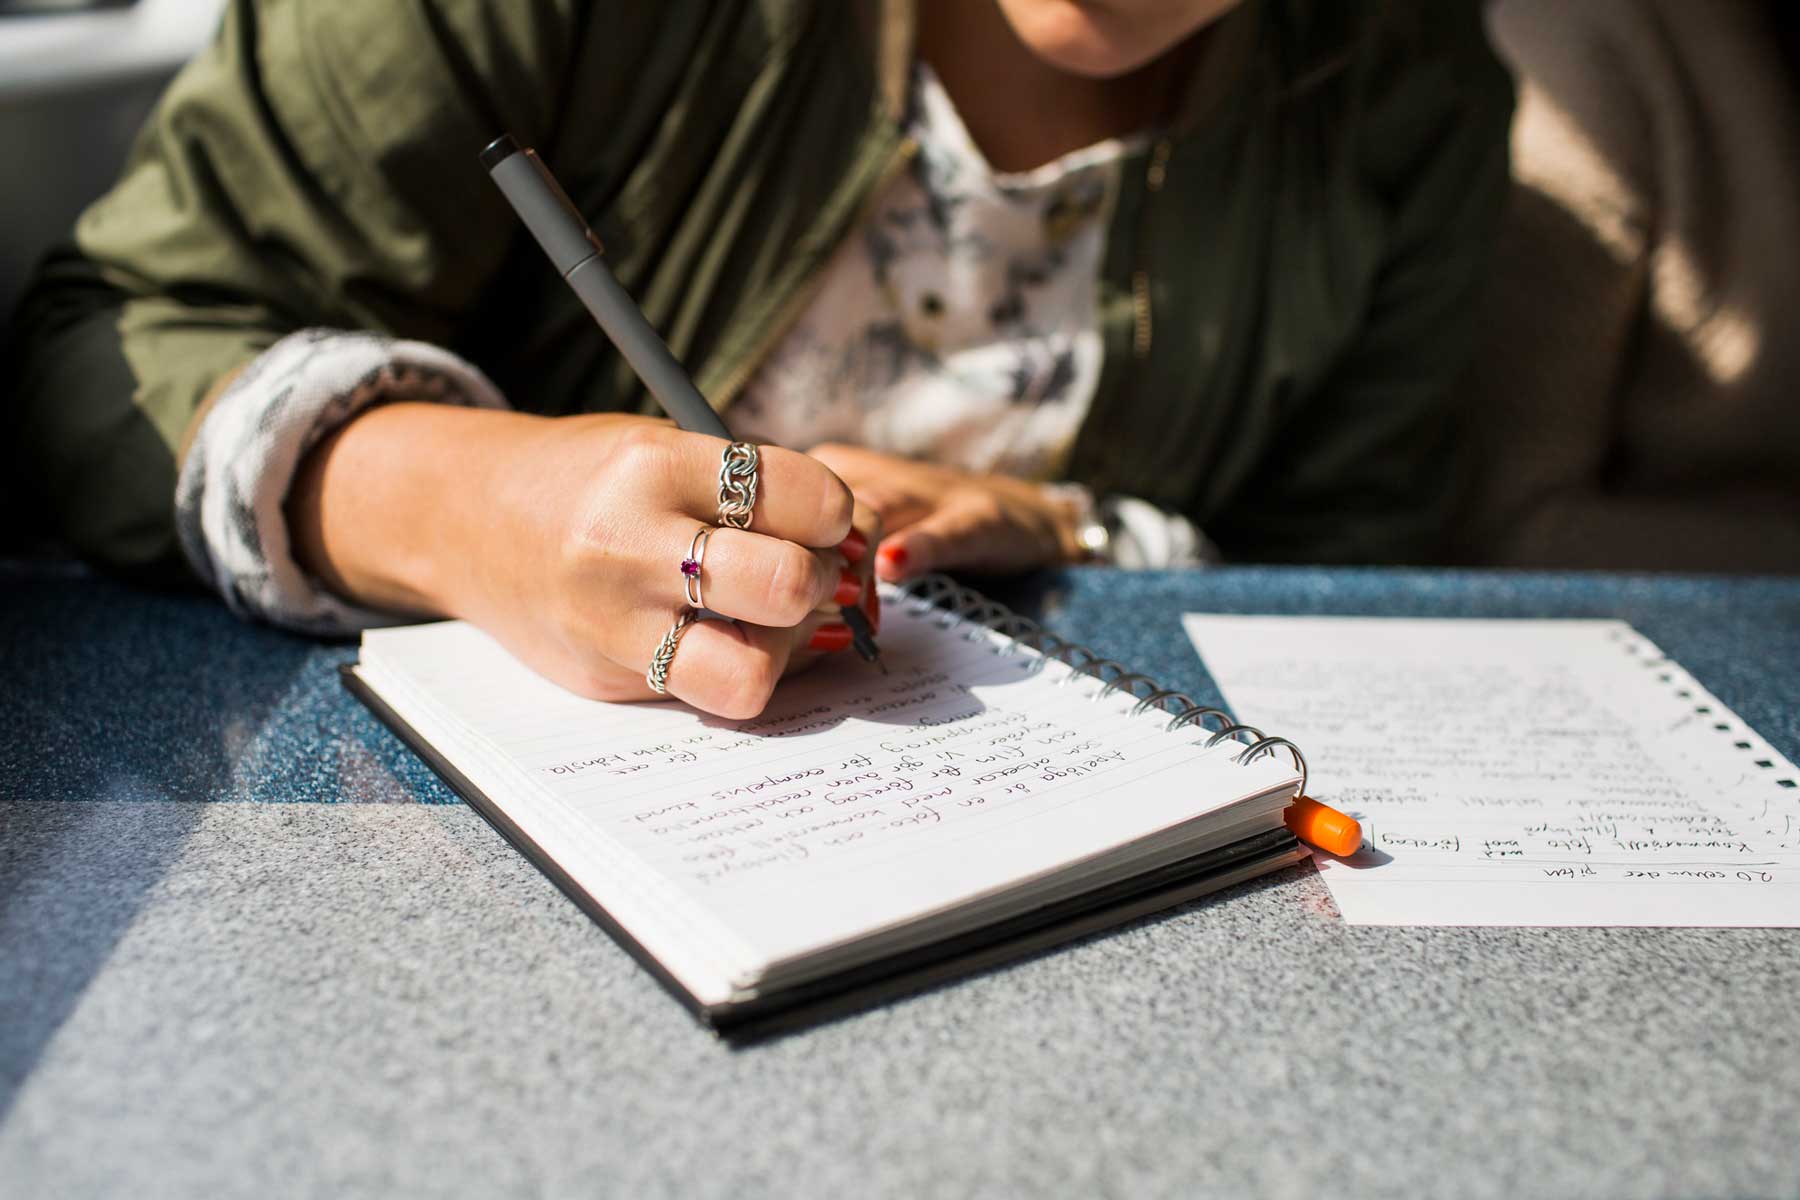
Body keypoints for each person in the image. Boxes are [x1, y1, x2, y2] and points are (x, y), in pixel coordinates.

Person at [6, 0, 1513, 718]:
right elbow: (104, 349)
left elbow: (1349, 581)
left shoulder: (1403, 89)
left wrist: (1071, 535)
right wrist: (474, 508)